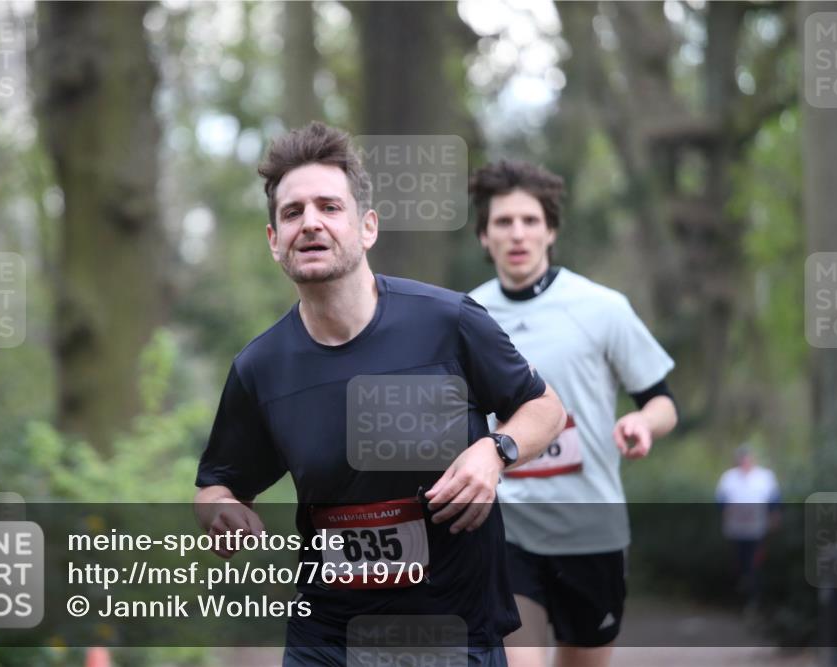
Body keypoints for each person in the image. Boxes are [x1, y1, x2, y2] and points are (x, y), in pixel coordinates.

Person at [193, 124, 567, 666]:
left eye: (329, 206)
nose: (311, 222)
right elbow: (217, 485)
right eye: (293, 212)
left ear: (367, 227)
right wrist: (221, 513)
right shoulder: (260, 368)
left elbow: (545, 407)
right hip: (327, 639)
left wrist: (496, 450)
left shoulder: (449, 321)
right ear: (274, 241)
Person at [467, 160, 679, 667]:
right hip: (506, 529)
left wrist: (641, 423)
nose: (517, 233)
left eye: (530, 220)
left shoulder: (601, 307)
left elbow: (662, 401)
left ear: (551, 230)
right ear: (483, 236)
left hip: (591, 530)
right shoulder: (464, 316)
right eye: (503, 222)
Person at [715, 444, 781, 603]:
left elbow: (774, 501)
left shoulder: (765, 476)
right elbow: (720, 502)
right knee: (737, 562)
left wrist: (774, 519)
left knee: (755, 562)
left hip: (757, 528)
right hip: (735, 528)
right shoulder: (729, 477)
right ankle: (738, 596)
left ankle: (754, 597)